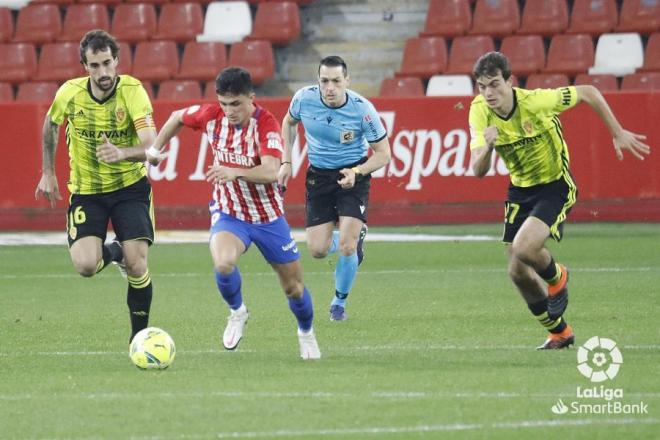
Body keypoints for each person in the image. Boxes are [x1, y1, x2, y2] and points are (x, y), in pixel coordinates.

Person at [468, 52, 650, 349]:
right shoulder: (479, 112)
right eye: (481, 86)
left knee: (525, 247)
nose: (488, 93)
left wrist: (616, 132)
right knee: (516, 271)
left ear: (510, 82)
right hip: (520, 190)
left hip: (555, 185)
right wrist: (488, 147)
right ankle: (560, 333)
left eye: (494, 84)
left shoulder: (536, 101)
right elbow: (478, 171)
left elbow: (589, 92)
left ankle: (557, 277)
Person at [146, 67, 320, 360]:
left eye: (236, 104)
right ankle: (237, 312)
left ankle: (306, 332)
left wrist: (233, 171)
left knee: (293, 288)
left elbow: (270, 170)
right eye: (224, 103)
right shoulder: (211, 116)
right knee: (224, 263)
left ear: (251, 98)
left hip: (267, 217)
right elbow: (177, 117)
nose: (229, 111)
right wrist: (154, 148)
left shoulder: (266, 123)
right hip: (230, 212)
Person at [34, 30, 158, 342]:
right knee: (87, 265)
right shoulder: (70, 93)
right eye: (94, 66)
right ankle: (115, 251)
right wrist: (47, 172)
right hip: (87, 191)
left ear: (117, 61)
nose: (102, 72)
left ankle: (139, 339)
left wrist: (123, 154)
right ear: (84, 66)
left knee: (138, 265)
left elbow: (152, 147)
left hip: (130, 187)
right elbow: (50, 125)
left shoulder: (133, 91)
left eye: (107, 63)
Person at [279, 56, 391, 322]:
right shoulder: (303, 99)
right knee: (317, 250)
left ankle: (339, 302)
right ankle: (350, 238)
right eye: (324, 81)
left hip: (353, 174)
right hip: (318, 175)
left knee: (347, 247)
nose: (330, 87)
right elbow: (288, 122)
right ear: (318, 81)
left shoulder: (363, 110)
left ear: (347, 81)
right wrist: (286, 160)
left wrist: (357, 172)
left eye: (336, 81)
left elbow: (383, 154)